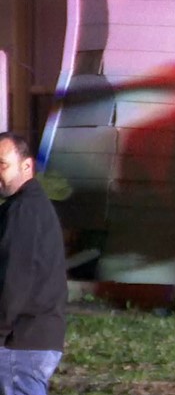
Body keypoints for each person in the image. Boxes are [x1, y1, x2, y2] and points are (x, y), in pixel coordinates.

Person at [0, 132, 67, 394]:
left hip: (21, 343)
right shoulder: (28, 207)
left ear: (27, 166)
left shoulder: (24, 211)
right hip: (31, 340)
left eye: (2, 164)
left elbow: (14, 280)